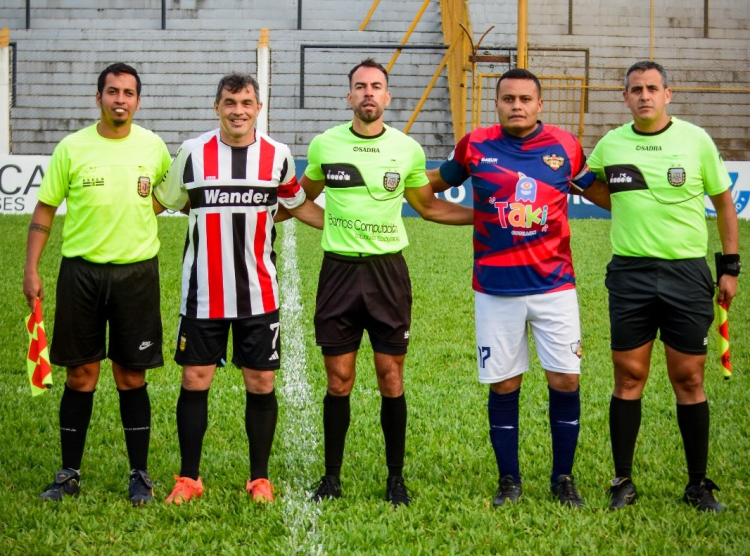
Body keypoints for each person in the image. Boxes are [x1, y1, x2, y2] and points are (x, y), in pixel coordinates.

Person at [428, 68, 610, 508]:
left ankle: (562, 478)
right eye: (508, 98)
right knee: (504, 385)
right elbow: (429, 188)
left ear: (539, 104)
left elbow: (601, 193)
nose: (517, 106)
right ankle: (509, 480)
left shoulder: (565, 146)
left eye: (525, 99)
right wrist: (471, 215)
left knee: (565, 379)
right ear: (497, 103)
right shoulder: (475, 145)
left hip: (554, 286)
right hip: (494, 288)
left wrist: (645, 190)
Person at [300, 58, 472, 507]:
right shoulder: (325, 145)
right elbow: (300, 199)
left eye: (377, 87)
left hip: (387, 274)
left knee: (390, 376)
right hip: (338, 270)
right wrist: (333, 225)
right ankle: (331, 478)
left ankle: (396, 479)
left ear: (387, 97)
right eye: (360, 87)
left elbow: (429, 206)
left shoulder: (407, 150)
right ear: (349, 96)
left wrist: (483, 219)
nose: (369, 94)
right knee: (339, 379)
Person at [153, 73, 324, 506]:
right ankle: (188, 478)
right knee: (194, 379)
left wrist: (346, 226)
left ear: (258, 108)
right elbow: (164, 201)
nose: (238, 110)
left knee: (261, 383)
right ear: (217, 107)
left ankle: (259, 479)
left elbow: (293, 204)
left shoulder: (278, 155)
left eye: (246, 102)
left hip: (258, 292)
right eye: (230, 102)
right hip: (203, 291)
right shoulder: (192, 152)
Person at [586, 60, 739, 512]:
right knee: (629, 376)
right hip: (630, 274)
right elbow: (593, 186)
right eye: (636, 89)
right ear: (625, 97)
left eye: (653, 88)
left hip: (687, 274)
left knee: (689, 377)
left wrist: (730, 267)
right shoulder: (612, 143)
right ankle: (622, 481)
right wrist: (601, 194)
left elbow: (725, 204)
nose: (645, 96)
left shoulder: (695, 140)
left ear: (668, 94)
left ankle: (698, 485)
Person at [23, 63, 171, 505]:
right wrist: (31, 268)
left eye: (128, 93)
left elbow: (163, 196)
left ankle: (140, 475)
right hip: (81, 274)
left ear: (138, 101)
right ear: (99, 98)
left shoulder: (154, 147)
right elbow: (45, 210)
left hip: (137, 273)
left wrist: (135, 218)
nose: (120, 99)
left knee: (131, 375)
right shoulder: (71, 148)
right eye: (112, 92)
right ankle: (69, 472)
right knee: (81, 374)